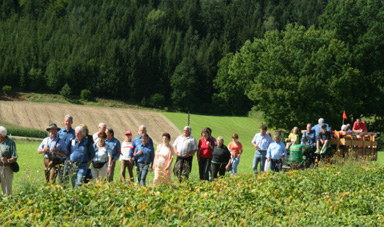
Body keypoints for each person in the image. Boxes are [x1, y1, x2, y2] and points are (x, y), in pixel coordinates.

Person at [58, 114, 75, 184]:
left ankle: (65, 189)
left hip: (68, 157)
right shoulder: (59, 132)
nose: (67, 123)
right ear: (64, 122)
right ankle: (60, 189)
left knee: (65, 174)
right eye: (66, 121)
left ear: (72, 122)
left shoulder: (74, 133)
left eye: (69, 121)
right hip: (59, 156)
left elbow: (74, 146)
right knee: (60, 175)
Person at [0, 126, 18, 195]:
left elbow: (14, 158)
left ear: (0, 135)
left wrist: (7, 160)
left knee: (6, 190)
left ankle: (7, 204)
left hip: (6, 168)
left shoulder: (10, 142)